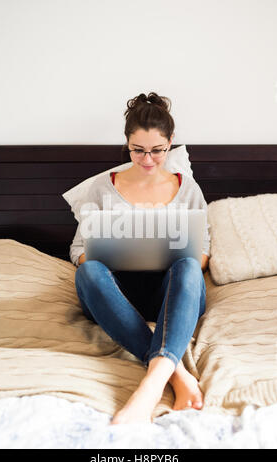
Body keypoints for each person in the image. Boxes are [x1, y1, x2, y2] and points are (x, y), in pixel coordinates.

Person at [71, 92, 211, 425]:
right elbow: (77, 249)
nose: (147, 160)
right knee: (89, 270)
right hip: (117, 293)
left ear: (171, 143)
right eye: (138, 150)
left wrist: (181, 255)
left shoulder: (187, 187)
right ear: (127, 143)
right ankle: (174, 371)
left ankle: (149, 387)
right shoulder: (103, 188)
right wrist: (105, 252)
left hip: (173, 292)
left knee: (189, 265)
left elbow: (203, 250)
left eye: (158, 151)